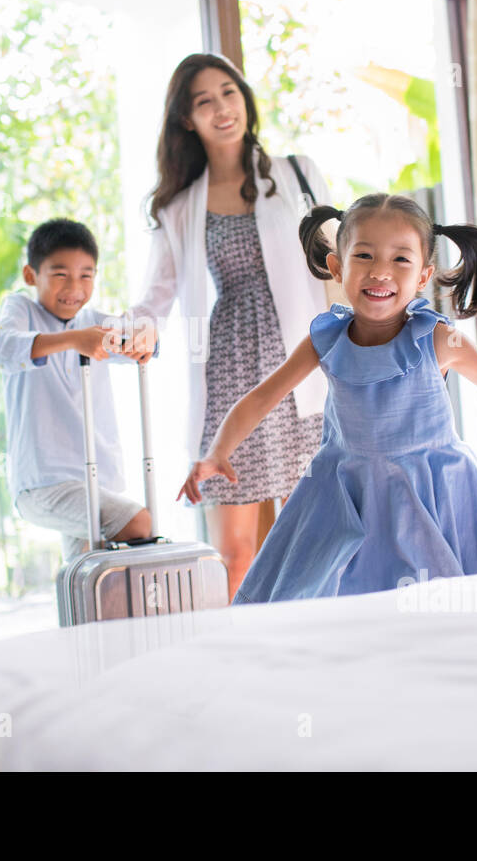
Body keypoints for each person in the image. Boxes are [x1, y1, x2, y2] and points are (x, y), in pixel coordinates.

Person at [178, 193, 477, 603]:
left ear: (424, 274)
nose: (380, 272)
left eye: (401, 259)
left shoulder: (436, 340)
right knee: (328, 605)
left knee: (441, 605)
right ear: (336, 265)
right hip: (345, 496)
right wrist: (217, 452)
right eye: (364, 256)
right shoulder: (326, 340)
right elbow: (261, 398)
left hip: (432, 494)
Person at [126, 52, 335, 600]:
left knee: (316, 538)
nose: (222, 108)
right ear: (186, 120)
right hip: (230, 374)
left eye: (229, 92)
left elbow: (339, 261)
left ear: (245, 100)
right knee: (235, 553)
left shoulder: (296, 174)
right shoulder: (178, 207)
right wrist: (134, 332)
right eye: (204, 101)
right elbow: (154, 299)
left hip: (305, 366)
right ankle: (238, 658)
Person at [0, 219, 157, 562]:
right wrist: (73, 340)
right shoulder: (21, 310)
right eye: (60, 274)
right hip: (45, 483)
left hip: (97, 475)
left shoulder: (93, 321)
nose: (74, 287)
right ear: (30, 275)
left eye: (86, 275)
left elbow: (146, 342)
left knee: (85, 574)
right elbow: (5, 349)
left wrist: (147, 338)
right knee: (140, 523)